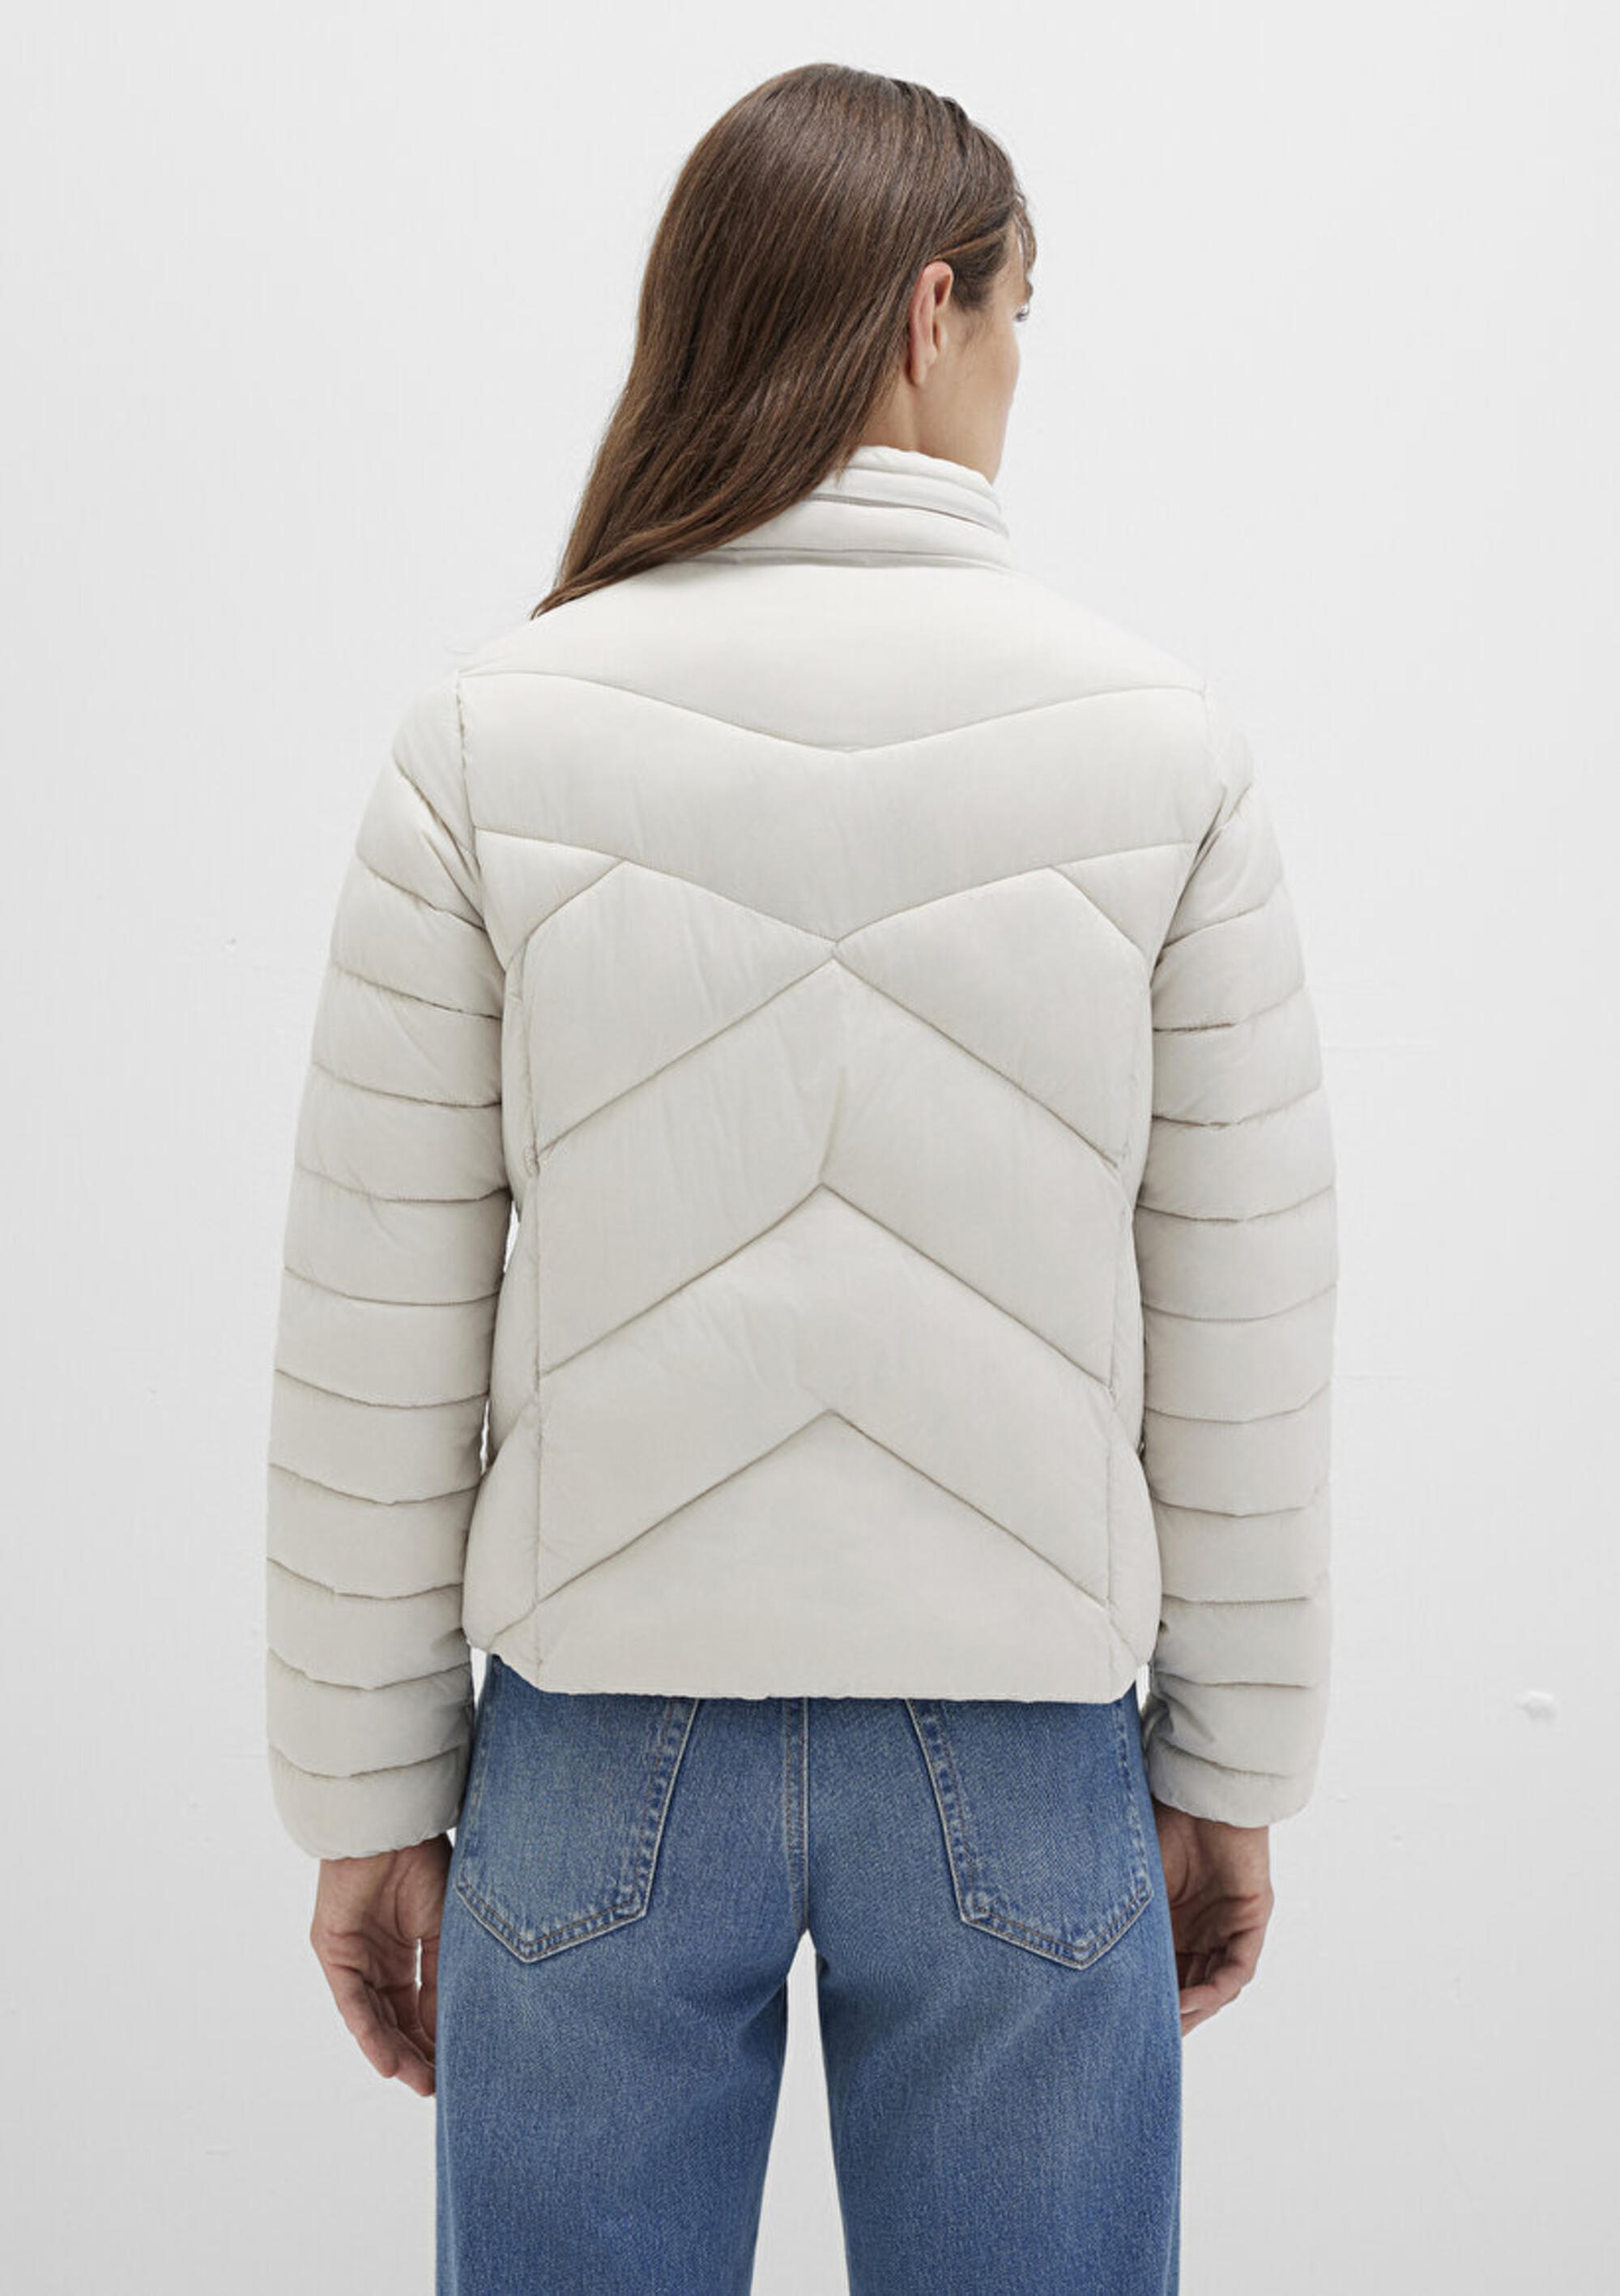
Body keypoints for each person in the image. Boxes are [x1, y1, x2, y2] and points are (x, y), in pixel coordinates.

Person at [264, 60, 1337, 2296]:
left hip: (596, 1751)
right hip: (1023, 1748)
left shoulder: (487, 737)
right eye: (1024, 313)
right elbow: (1243, 1316)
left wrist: (363, 1802)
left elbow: (375, 1327)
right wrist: (1234, 1763)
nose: (1023, 369)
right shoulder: (1165, 751)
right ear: (933, 309)